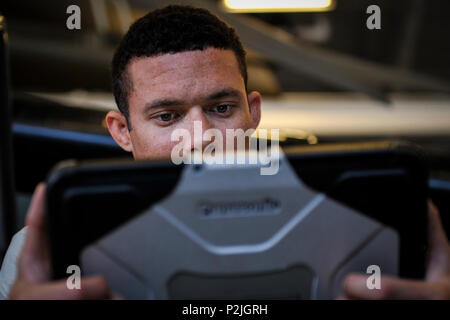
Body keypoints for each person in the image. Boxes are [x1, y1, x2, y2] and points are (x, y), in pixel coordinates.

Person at [1, 5, 450, 300]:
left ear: (252, 112)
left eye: (221, 108)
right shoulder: (44, 255)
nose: (200, 136)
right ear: (122, 131)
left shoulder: (358, 227)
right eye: (167, 116)